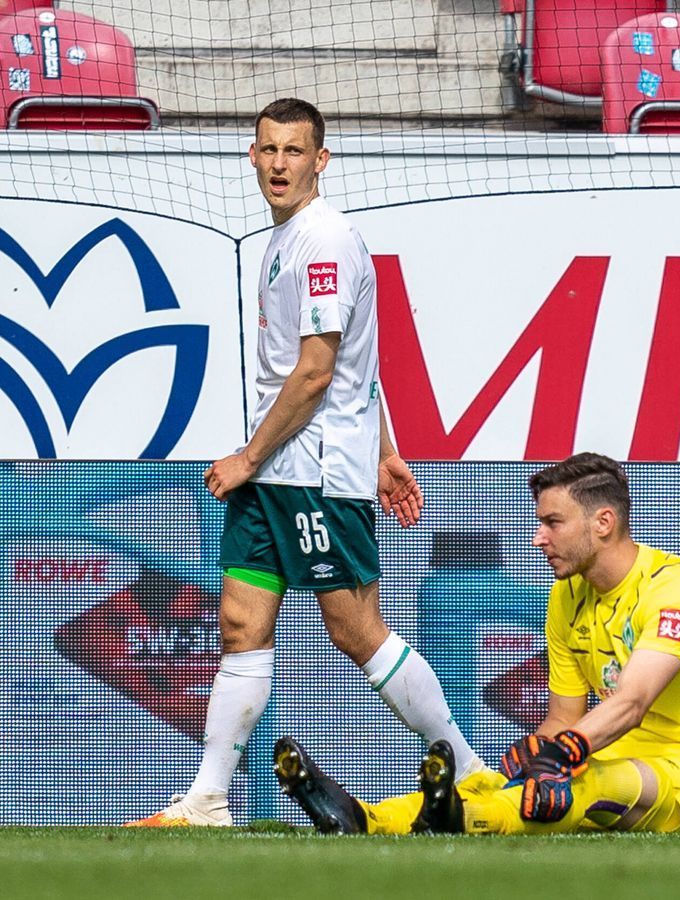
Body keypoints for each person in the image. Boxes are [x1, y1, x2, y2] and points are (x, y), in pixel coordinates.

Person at [128, 98, 485, 827]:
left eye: (295, 151)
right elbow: (359, 365)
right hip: (277, 475)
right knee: (239, 624)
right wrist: (386, 450)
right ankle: (207, 799)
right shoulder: (284, 238)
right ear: (252, 157)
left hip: (311, 470)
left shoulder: (323, 242)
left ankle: (470, 770)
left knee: (357, 632)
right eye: (269, 150)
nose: (281, 164)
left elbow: (320, 372)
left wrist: (248, 456)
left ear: (321, 161)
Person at [272, 452, 680, 837]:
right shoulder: (567, 594)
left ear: (603, 523)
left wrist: (563, 753)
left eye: (552, 523)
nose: (536, 538)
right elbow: (565, 718)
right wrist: (536, 751)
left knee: (577, 785)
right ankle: (365, 818)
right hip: (616, 751)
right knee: (497, 780)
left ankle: (466, 821)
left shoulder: (677, 590)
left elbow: (630, 704)